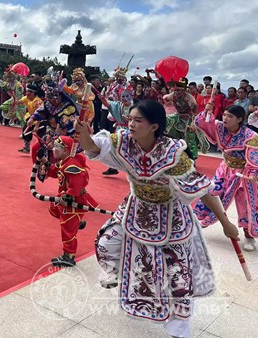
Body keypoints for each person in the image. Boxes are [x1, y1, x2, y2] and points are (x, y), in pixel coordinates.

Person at [75, 99, 238, 338]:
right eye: (129, 119)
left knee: (177, 276)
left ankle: (180, 329)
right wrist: (83, 136)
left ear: (154, 126)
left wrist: (226, 223)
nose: (130, 124)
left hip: (171, 215)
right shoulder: (124, 142)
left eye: (137, 120)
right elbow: (96, 147)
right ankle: (122, 273)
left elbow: (203, 191)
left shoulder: (173, 154)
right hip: (137, 206)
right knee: (106, 242)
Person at [193, 104, 258, 251]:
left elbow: (255, 157)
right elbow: (201, 123)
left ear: (239, 119)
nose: (225, 118)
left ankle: (249, 236)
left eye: (230, 116)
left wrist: (254, 174)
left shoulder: (251, 136)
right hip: (225, 168)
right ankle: (198, 223)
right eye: (225, 115)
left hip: (244, 172)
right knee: (211, 192)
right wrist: (207, 111)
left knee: (245, 203)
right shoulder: (220, 127)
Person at [33, 135, 98, 267]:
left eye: (57, 147)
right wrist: (44, 161)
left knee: (67, 229)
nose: (54, 149)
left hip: (74, 201)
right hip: (64, 199)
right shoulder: (64, 161)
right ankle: (77, 223)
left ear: (65, 150)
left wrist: (68, 197)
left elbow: (77, 185)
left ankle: (69, 256)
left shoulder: (72, 166)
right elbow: (53, 171)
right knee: (53, 208)